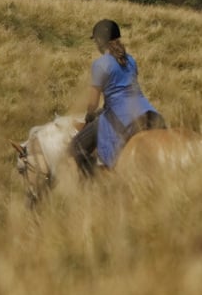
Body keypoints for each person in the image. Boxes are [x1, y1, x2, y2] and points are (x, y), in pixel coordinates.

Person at [69, 19, 167, 177]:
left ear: (100, 40)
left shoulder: (99, 64)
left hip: (122, 116)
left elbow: (93, 103)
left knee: (75, 147)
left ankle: (94, 186)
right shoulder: (131, 60)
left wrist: (89, 116)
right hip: (148, 111)